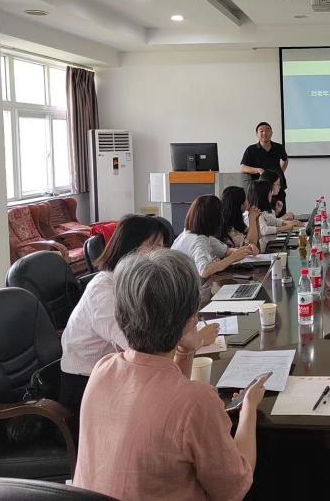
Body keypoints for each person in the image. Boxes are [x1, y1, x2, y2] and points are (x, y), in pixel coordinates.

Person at [73, 250, 266, 501]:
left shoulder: (103, 369)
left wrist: (185, 350)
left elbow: (163, 390)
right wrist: (249, 408)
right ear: (191, 318)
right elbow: (234, 488)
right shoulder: (197, 401)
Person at [60, 215, 219, 427]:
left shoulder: (134, 283)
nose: (160, 254)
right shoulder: (103, 291)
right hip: (88, 387)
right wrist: (191, 341)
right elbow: (140, 350)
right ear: (128, 248)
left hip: (121, 376)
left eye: (162, 246)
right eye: (153, 246)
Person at [172, 195, 258, 287]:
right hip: (189, 290)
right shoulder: (198, 241)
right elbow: (204, 271)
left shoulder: (194, 235)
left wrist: (247, 250)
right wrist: (232, 258)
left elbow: (226, 251)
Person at [240, 121, 289, 214]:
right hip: (260, 191)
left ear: (272, 133)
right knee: (263, 214)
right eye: (261, 131)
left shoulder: (279, 147)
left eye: (267, 130)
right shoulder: (251, 149)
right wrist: (257, 170)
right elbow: (243, 168)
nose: (265, 133)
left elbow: (285, 160)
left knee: (280, 212)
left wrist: (280, 173)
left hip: (277, 187)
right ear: (257, 134)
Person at [220, 185, 261, 250]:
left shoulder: (237, 222)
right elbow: (251, 245)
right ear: (240, 204)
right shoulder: (229, 228)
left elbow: (257, 238)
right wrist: (252, 219)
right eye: (246, 199)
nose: (248, 202)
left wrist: (256, 219)